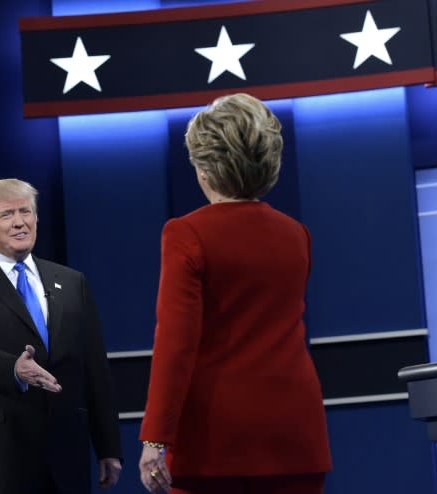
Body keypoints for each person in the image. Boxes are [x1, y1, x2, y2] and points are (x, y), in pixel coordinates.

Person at [138, 93, 332, 494]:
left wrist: (156, 438)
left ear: (205, 169)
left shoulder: (186, 233)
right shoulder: (297, 235)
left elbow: (175, 343)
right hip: (295, 433)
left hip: (213, 441)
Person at [0, 178, 122, 494]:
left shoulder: (72, 281)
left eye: (26, 212)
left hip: (65, 452)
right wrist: (13, 369)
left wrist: (108, 446)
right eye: (7, 214)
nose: (20, 222)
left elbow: (94, 367)